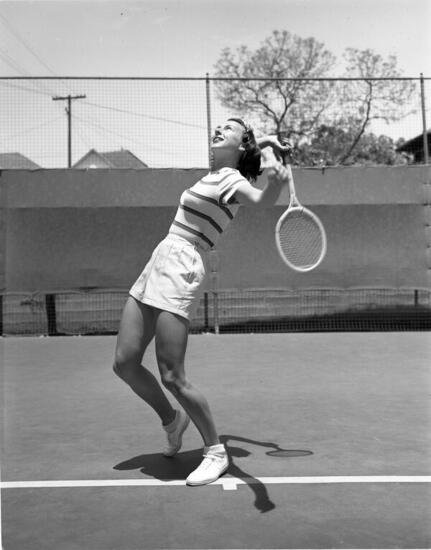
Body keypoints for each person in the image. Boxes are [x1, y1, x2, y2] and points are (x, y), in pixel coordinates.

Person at [113, 118, 292, 486]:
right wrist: (266, 140)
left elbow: (259, 199)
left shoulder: (232, 182)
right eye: (219, 126)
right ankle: (172, 421)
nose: (218, 130)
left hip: (183, 265)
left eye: (229, 129)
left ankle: (216, 451)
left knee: (172, 375)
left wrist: (274, 183)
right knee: (125, 363)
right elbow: (249, 147)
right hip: (160, 258)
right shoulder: (214, 174)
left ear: (240, 146)